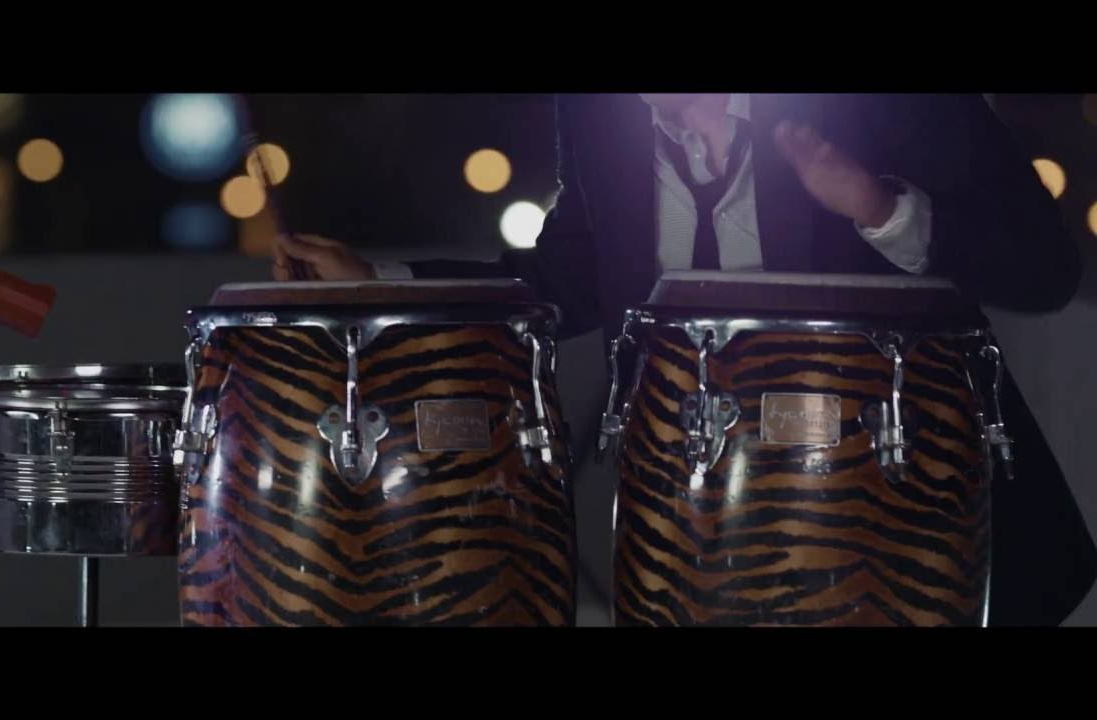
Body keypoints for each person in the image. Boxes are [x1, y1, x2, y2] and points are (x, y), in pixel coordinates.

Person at [269, 93, 1096, 626]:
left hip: (913, 530)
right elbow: (566, 280)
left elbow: (1045, 270)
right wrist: (382, 281)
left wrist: (880, 208)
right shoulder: (598, 114)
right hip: (699, 536)